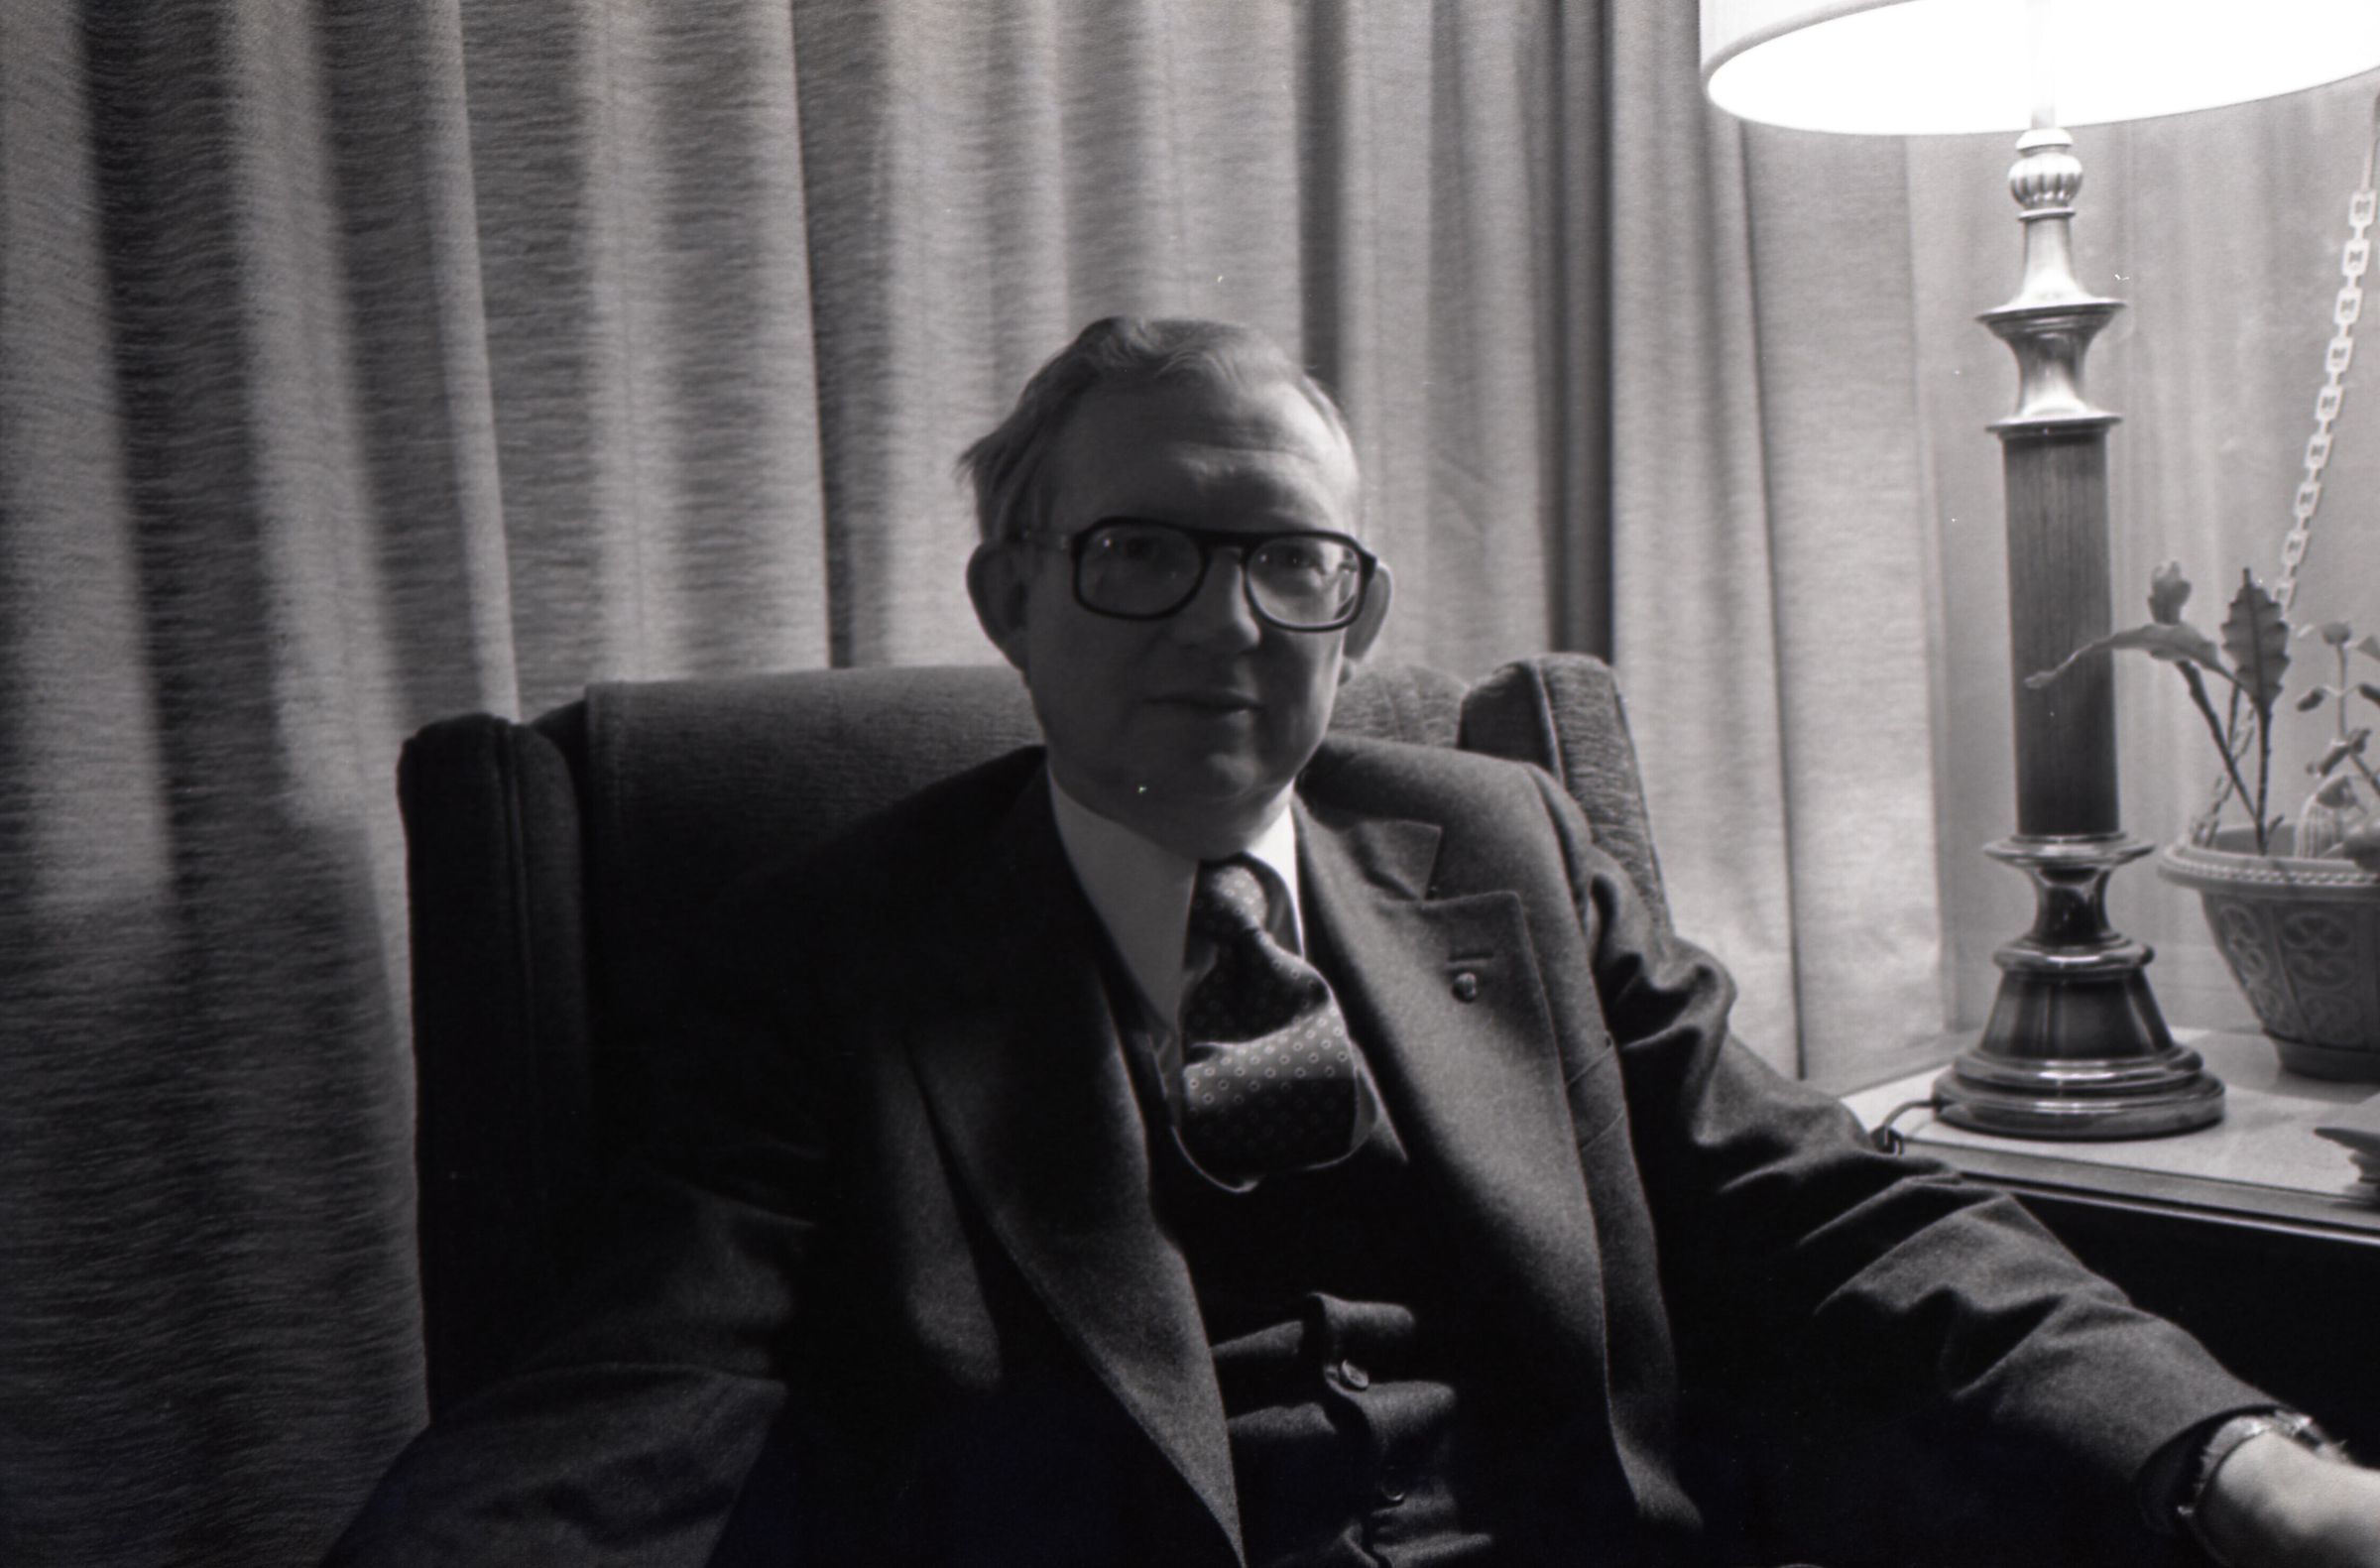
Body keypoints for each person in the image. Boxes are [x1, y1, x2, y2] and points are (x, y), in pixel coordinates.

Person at [328, 317, 2380, 1567]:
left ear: (1358, 614)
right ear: (1009, 596)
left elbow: (1835, 1212)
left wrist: (2234, 1458)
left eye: (1290, 562)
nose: (1226, 626)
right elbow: (638, 1395)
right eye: (1140, 552)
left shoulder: (1509, 845)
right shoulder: (830, 953)